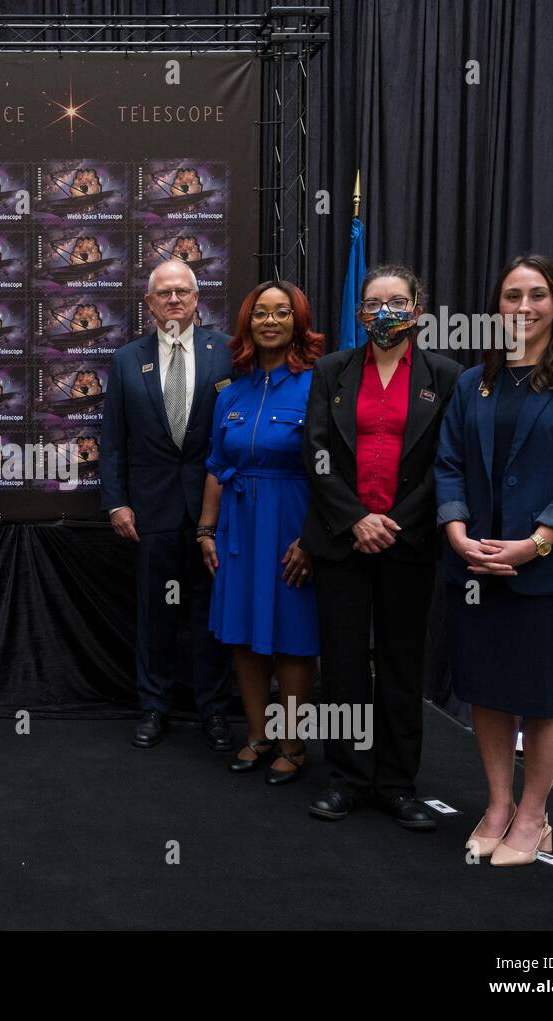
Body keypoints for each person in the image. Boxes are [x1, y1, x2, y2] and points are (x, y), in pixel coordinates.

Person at [436, 255, 553, 866]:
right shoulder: (473, 381)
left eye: (537, 294)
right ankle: (495, 806)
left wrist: (536, 543)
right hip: (478, 567)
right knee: (488, 692)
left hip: (549, 568)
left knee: (543, 697)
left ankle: (535, 817)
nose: (523, 306)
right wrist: (458, 534)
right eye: (512, 295)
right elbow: (450, 465)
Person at [301, 264, 461, 829]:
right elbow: (315, 455)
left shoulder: (446, 375)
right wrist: (356, 520)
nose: (384, 312)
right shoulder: (331, 371)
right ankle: (344, 778)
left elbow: (448, 463)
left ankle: (397, 783)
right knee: (342, 667)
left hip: (408, 542)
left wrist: (391, 521)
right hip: (342, 542)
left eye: (396, 302)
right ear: (359, 312)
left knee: (401, 666)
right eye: (373, 303)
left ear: (418, 310)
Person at [100, 258, 235, 751]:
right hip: (150, 510)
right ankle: (153, 707)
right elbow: (113, 440)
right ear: (149, 303)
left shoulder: (227, 353)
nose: (174, 299)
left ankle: (215, 711)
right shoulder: (126, 359)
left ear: (198, 299)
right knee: (155, 613)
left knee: (210, 612)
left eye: (183, 291)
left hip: (212, 509)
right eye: (164, 293)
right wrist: (116, 502)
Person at [197, 281, 321, 783]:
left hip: (294, 525)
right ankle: (257, 735)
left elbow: (330, 471)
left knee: (292, 638)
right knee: (244, 633)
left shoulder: (318, 384)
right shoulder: (233, 389)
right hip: (238, 527)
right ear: (248, 323)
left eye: (282, 312)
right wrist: (206, 530)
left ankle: (293, 745)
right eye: (261, 314)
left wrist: (313, 539)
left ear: (298, 321)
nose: (270, 321)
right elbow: (215, 464)